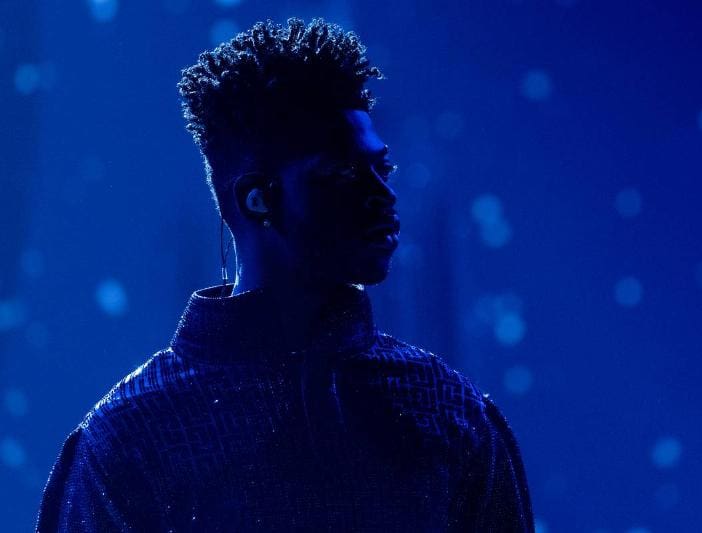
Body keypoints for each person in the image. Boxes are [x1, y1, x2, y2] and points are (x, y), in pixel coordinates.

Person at [35, 17, 534, 532]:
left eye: (381, 169)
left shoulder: (449, 412)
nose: (383, 195)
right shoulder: (130, 440)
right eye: (341, 172)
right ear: (258, 199)